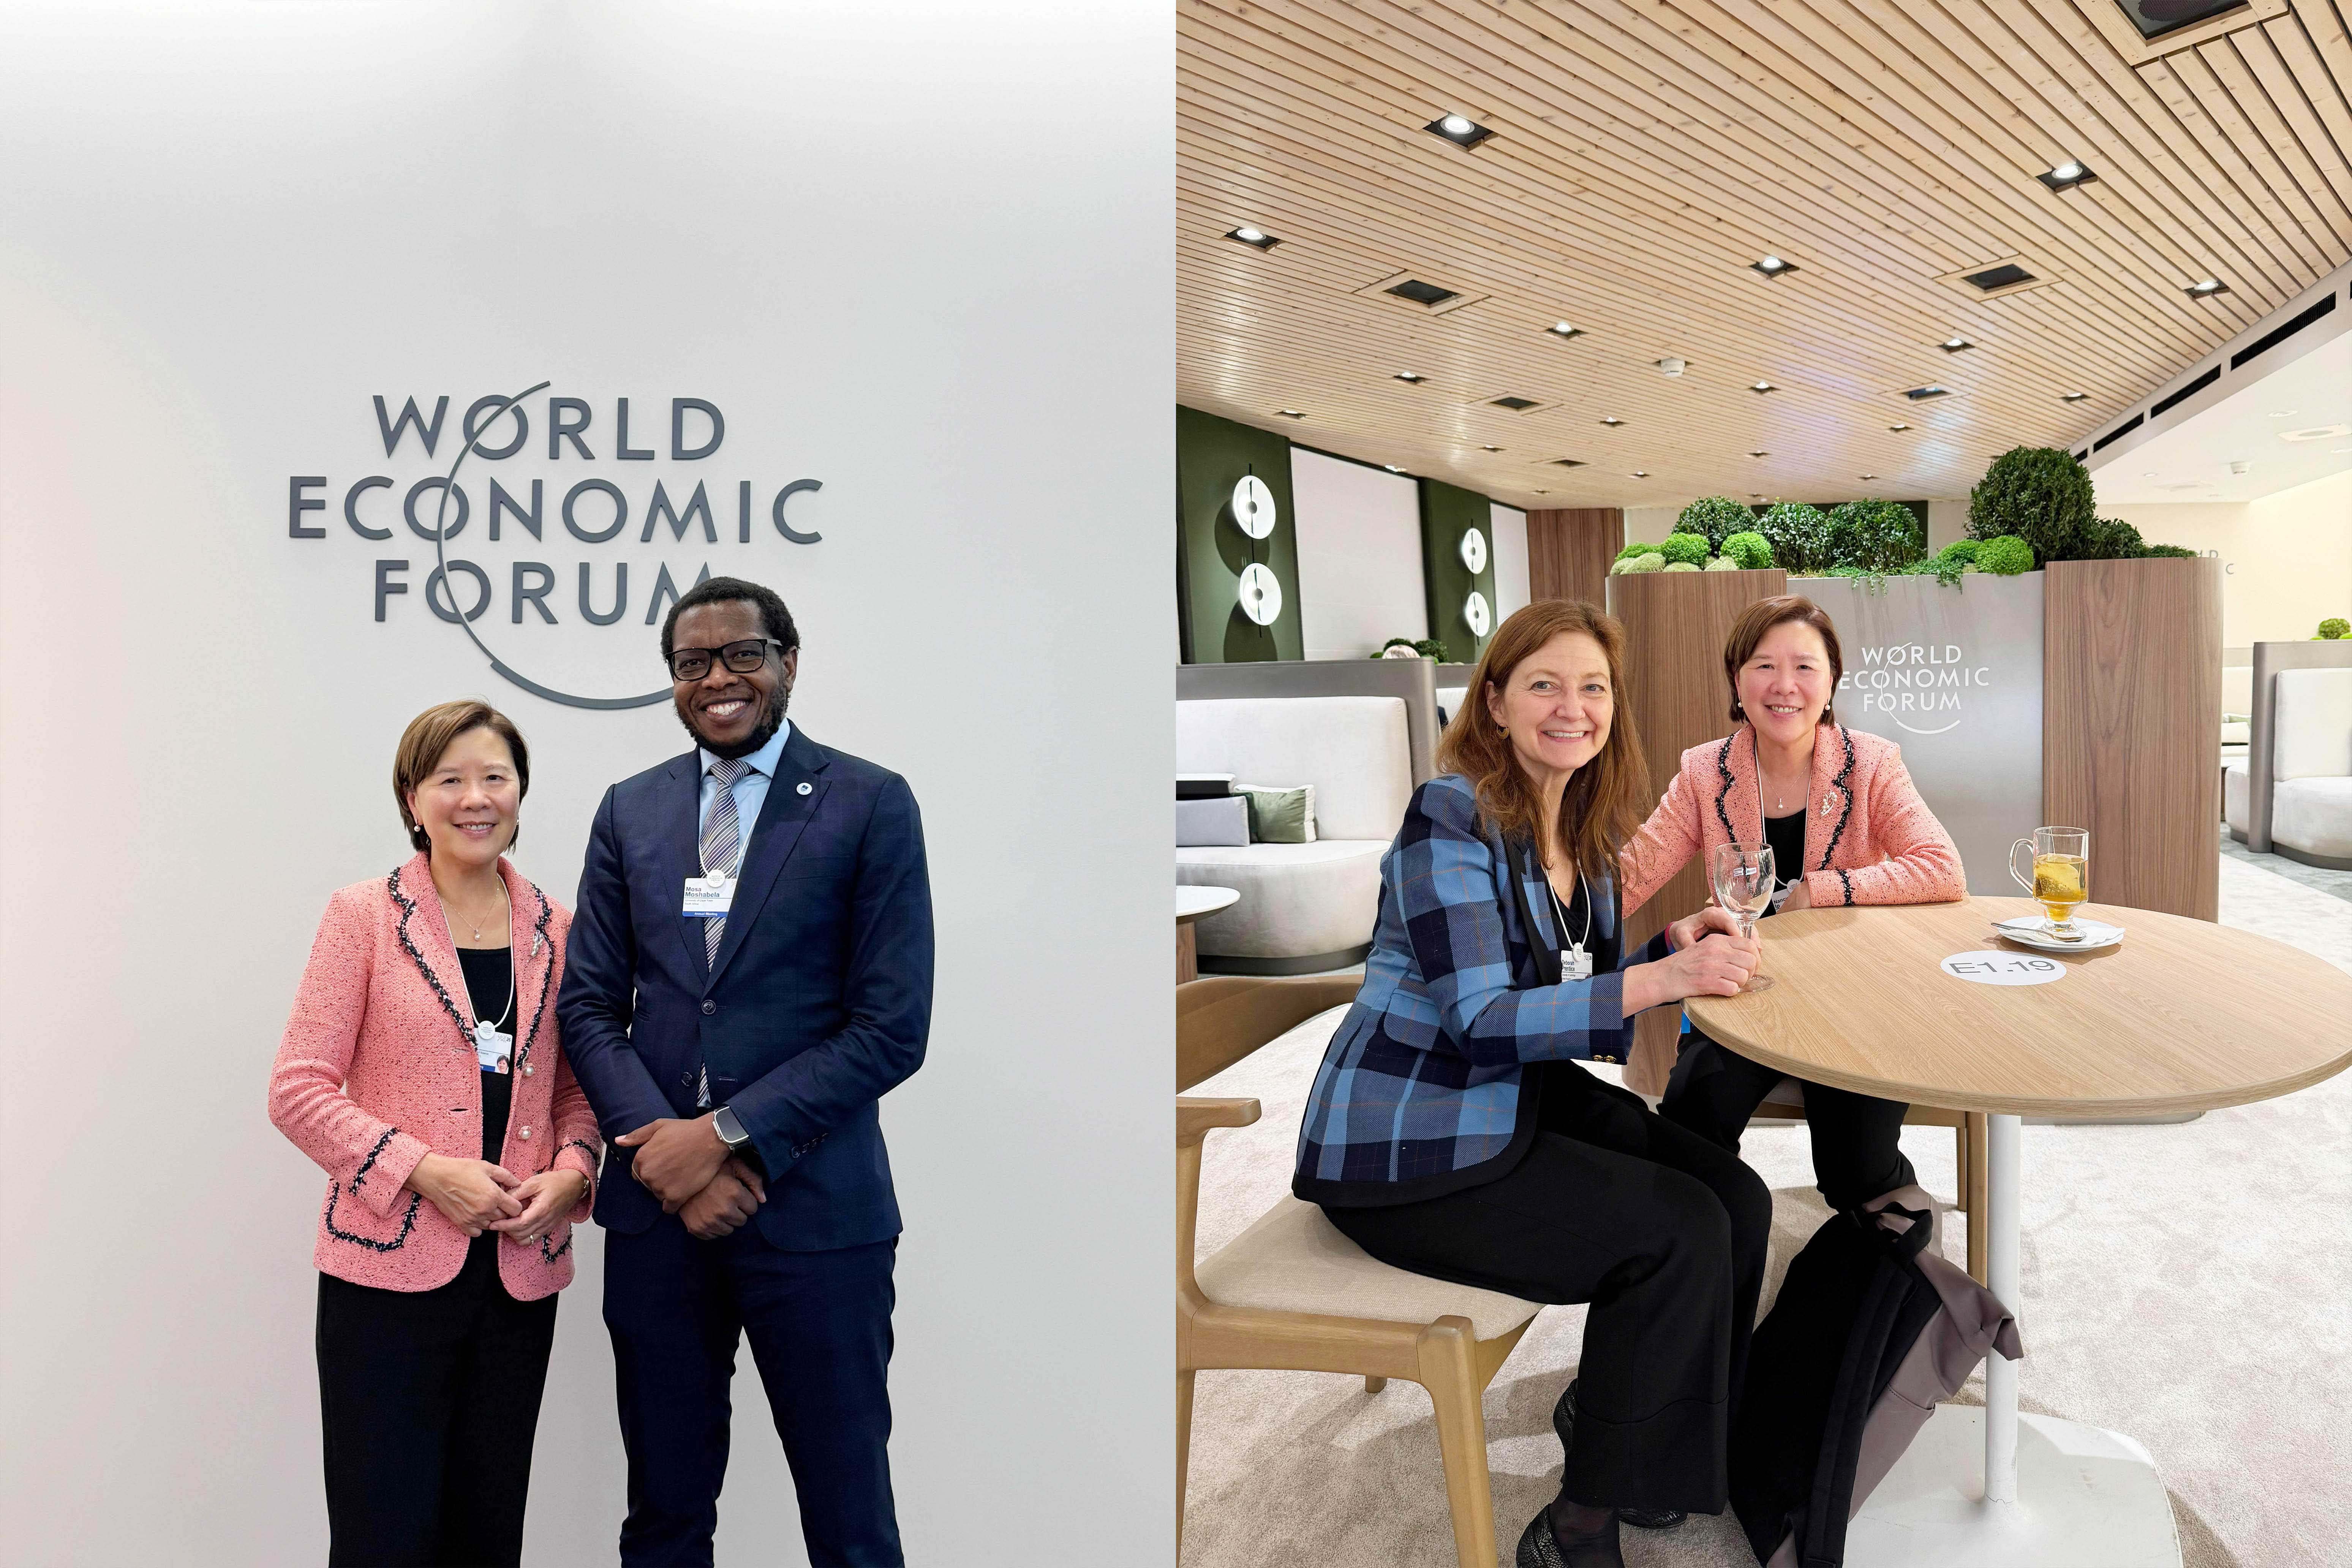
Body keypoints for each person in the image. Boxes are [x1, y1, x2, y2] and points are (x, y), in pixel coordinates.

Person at [1293, 599, 1771, 1568]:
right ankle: (1578, 1523)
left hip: (1514, 1094)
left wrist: (1664, 949)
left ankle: (1632, 1428)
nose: (1572, 708)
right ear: (1495, 702)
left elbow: (1566, 977)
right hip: (1405, 1140)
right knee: (1675, 1232)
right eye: (1544, 684)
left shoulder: (1582, 826)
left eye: (1593, 687)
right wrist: (1660, 982)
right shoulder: (1449, 817)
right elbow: (1479, 1019)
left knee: (1737, 1196)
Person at [558, 575, 934, 1568]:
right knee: (664, 1518)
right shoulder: (630, 810)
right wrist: (665, 1158)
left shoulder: (869, 802)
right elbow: (588, 1006)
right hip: (658, 1225)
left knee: (851, 1522)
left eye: (742, 655)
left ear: (788, 663)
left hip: (817, 1218)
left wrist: (723, 1138)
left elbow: (892, 1028)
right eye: (693, 663)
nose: (718, 679)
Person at [268, 700, 599, 1568]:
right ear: (413, 799)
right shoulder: (364, 916)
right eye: (450, 779)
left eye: (495, 777)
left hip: (518, 1274)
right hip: (386, 1272)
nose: (475, 798)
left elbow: (577, 1092)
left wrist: (574, 1173)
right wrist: (424, 1171)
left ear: (521, 794)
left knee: (487, 1533)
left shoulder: (560, 930)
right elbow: (298, 1089)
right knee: (383, 1535)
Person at [1621, 594, 1965, 1210]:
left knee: (1856, 1170)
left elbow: (1942, 868)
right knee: (1688, 1134)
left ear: (1831, 681)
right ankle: (1714, 1242)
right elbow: (1633, 872)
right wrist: (1538, 906)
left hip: (1854, 994)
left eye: (1805, 667)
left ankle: (1899, 1233)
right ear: (1738, 680)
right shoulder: (1706, 771)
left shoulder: (1871, 763)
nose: (1785, 686)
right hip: (1745, 994)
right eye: (1764, 666)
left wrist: (1822, 889)